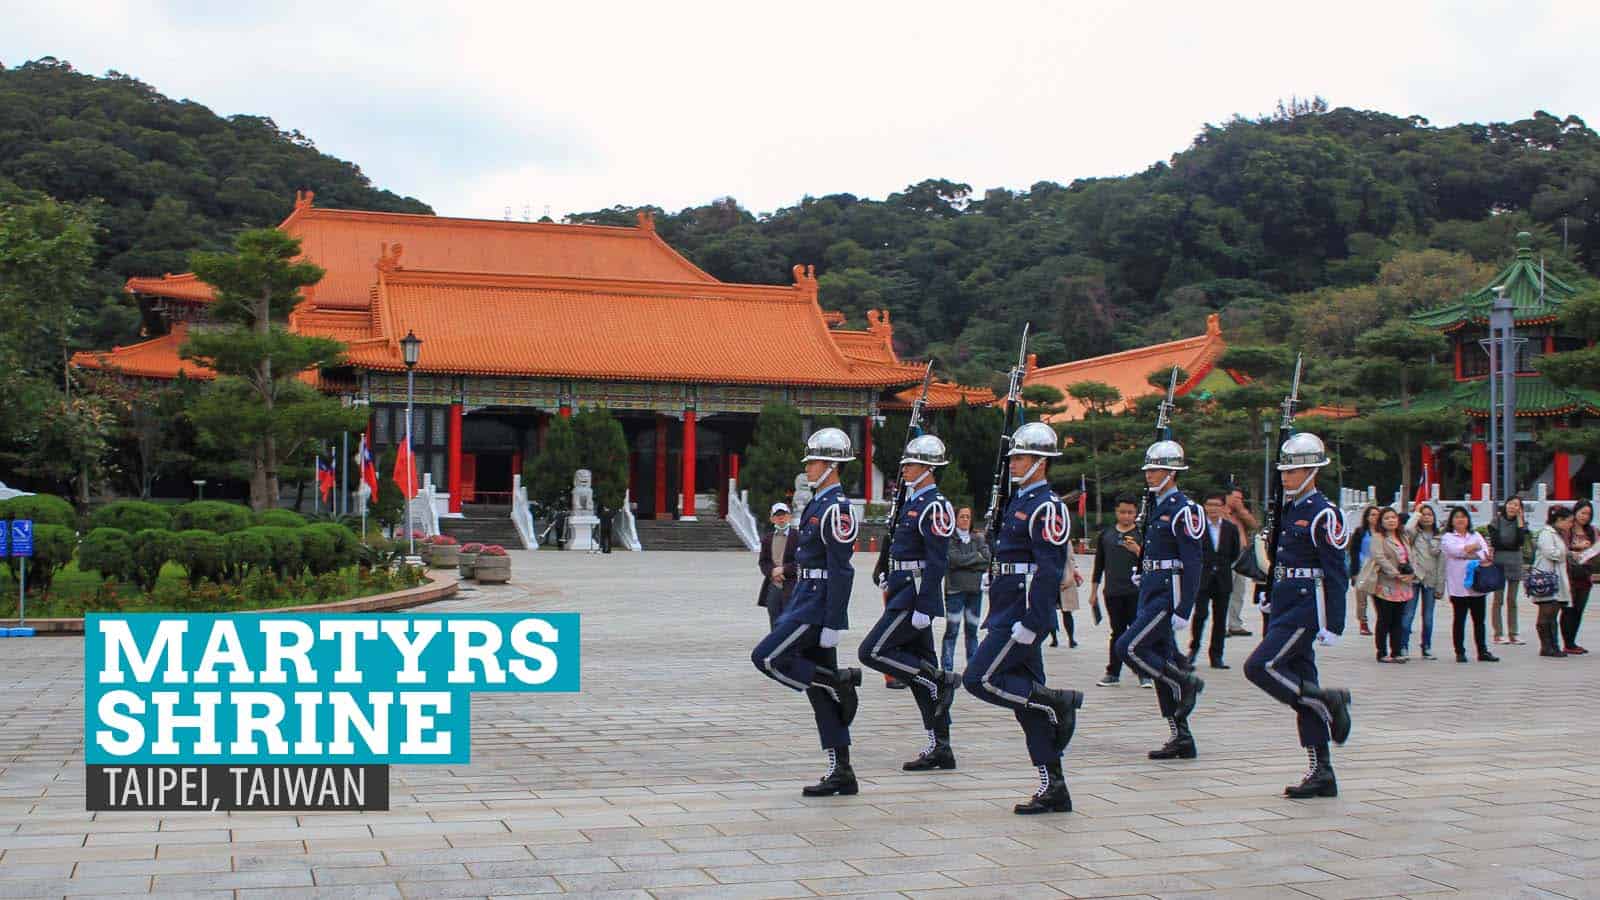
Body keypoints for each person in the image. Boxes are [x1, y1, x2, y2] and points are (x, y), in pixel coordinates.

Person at [963, 421, 1084, 814]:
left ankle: (1057, 703)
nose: (1013, 463)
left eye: (1022, 457)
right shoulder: (1016, 502)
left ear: (1042, 462)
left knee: (979, 678)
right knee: (1025, 706)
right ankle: (1055, 787)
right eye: (1013, 456)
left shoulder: (1046, 508)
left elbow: (1048, 571)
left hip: (1021, 614)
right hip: (1005, 607)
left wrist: (1035, 622)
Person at [750, 427, 863, 796]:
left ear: (831, 466)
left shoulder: (837, 509)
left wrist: (834, 622)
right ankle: (841, 770)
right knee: (820, 694)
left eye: (814, 462)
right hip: (803, 596)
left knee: (766, 657)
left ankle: (840, 681)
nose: (809, 468)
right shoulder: (816, 504)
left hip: (816, 605)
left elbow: (843, 570)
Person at [1242, 431, 1353, 799]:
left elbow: (1336, 571)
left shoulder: (1323, 513)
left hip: (1307, 606)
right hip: (1286, 601)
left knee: (1260, 667)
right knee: (1303, 679)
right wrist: (1267, 595)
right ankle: (1321, 770)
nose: (1286, 477)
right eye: (1285, 472)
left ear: (1311, 472)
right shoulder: (1289, 510)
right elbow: (1278, 561)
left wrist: (1334, 623)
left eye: (1293, 471)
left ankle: (1325, 700)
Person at [858, 434, 962, 772]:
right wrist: (888, 572)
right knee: (920, 680)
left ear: (929, 468)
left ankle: (940, 679)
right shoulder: (911, 501)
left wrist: (926, 606)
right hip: (903, 588)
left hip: (915, 596)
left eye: (912, 463)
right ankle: (940, 747)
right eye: (904, 463)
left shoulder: (935, 505)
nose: (904, 469)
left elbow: (936, 561)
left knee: (872, 651)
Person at [1114, 439, 1206, 762]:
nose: (1149, 475)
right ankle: (1180, 734)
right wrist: (1141, 570)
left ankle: (1186, 682)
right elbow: (1151, 547)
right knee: (1159, 655)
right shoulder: (1155, 507)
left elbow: (1193, 562)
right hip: (1151, 588)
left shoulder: (1185, 509)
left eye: (1155, 469)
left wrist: (1185, 608)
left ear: (1172, 472)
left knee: (1129, 647)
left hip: (1168, 593)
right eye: (1149, 469)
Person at [1091, 496, 1142, 687]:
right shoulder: (1107, 535)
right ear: (1116, 512)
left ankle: (1143, 671)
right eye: (1123, 512)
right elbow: (1098, 565)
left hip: (1136, 592)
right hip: (1113, 591)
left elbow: (1149, 563)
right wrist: (1093, 592)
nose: (1126, 516)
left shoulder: (1141, 535)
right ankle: (1113, 672)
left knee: (1137, 633)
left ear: (1136, 514)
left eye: (1130, 512)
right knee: (1117, 632)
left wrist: (1138, 550)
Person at [1189, 491, 1241, 669]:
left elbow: (1234, 553)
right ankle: (1193, 650)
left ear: (1223, 508)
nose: (1213, 509)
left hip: (1223, 579)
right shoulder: (1198, 527)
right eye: (1209, 505)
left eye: (1217, 505)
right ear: (1204, 507)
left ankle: (1216, 656)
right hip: (1202, 579)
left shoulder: (1230, 528)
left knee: (1220, 620)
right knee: (1200, 615)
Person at [1441, 506, 1497, 663]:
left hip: (1477, 585)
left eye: (1463, 517)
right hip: (1458, 585)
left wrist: (1468, 551)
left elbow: (1484, 553)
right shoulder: (1448, 537)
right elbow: (1455, 551)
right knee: (1459, 619)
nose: (1460, 520)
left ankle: (1482, 650)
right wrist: (1471, 549)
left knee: (1479, 620)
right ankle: (1460, 651)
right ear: (1452, 520)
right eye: (1457, 517)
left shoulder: (1476, 534)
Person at [943, 507, 989, 671]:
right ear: (955, 518)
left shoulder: (978, 538)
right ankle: (947, 669)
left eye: (968, 516)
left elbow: (987, 559)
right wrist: (975, 558)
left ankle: (973, 668)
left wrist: (969, 561)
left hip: (974, 591)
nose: (965, 519)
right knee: (952, 631)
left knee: (972, 632)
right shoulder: (950, 539)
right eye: (962, 516)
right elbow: (954, 560)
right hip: (955, 590)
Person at [1369, 507, 1416, 663]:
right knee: (1385, 618)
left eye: (1393, 517)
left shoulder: (1403, 536)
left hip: (1403, 584)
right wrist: (1396, 573)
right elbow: (1379, 558)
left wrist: (1411, 574)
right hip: (1386, 582)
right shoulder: (1378, 537)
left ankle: (1396, 651)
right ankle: (1381, 652)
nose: (1391, 521)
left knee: (1398, 619)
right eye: (1387, 518)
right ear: (1381, 522)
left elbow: (1411, 556)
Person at [1531, 505, 1574, 659]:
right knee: (1546, 612)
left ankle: (1554, 645)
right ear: (1559, 520)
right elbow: (1551, 553)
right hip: (1546, 579)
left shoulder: (1557, 533)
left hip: (1556, 578)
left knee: (1553, 612)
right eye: (1569, 521)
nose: (1570, 525)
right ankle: (1546, 646)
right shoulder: (1546, 533)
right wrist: (1566, 553)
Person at [1403, 505, 1444, 660]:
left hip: (1431, 580)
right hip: (1414, 578)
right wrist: (1417, 513)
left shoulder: (1439, 537)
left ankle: (1426, 647)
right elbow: (1407, 529)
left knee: (1428, 617)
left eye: (1429, 515)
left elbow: (1441, 563)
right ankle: (1403, 646)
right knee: (1408, 614)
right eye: (1424, 515)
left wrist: (1441, 585)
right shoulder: (1414, 534)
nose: (1426, 517)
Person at [1488, 497, 1529, 646]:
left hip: (1515, 564)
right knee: (1498, 600)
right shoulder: (1496, 521)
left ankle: (1514, 633)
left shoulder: (1521, 523)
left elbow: (1519, 542)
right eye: (1511, 504)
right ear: (1505, 505)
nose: (1513, 507)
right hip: (1499, 563)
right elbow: (1496, 542)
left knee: (1512, 600)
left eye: (1517, 505)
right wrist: (1510, 545)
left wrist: (1520, 522)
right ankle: (1498, 633)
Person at [1224, 487, 1260, 636]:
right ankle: (1222, 624)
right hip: (1226, 557)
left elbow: (1254, 525)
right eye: (1235, 498)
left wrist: (1241, 510)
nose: (1238, 501)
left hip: (1242, 556)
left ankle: (1235, 624)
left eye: (1240, 499)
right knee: (1226, 591)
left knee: (1239, 592)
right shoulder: (1222, 512)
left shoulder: (1240, 514)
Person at [757, 502, 798, 629]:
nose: (781, 518)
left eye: (784, 515)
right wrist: (772, 572)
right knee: (774, 620)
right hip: (773, 585)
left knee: (790, 620)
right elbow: (763, 561)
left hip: (792, 584)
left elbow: (802, 560)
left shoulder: (798, 536)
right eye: (777, 515)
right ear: (772, 518)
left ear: (789, 517)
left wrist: (784, 569)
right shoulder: (768, 538)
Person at [1562, 499, 1595, 654]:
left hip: (1585, 575)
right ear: (1575, 512)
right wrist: (1577, 547)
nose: (1585, 516)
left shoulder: (1592, 531)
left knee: (1579, 610)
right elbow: (1561, 548)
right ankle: (1567, 643)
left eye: (1588, 514)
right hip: (1569, 575)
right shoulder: (1567, 530)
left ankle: (1572, 642)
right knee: (1568, 610)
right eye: (1582, 513)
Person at [1348, 505, 1381, 636]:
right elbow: (1353, 552)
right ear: (1367, 517)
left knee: (1379, 598)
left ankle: (1383, 621)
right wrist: (1354, 572)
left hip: (1378, 569)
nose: (1375, 517)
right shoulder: (1360, 532)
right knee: (1361, 599)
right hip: (1362, 568)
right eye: (1372, 514)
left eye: (1377, 514)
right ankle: (1363, 623)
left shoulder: (1383, 532)